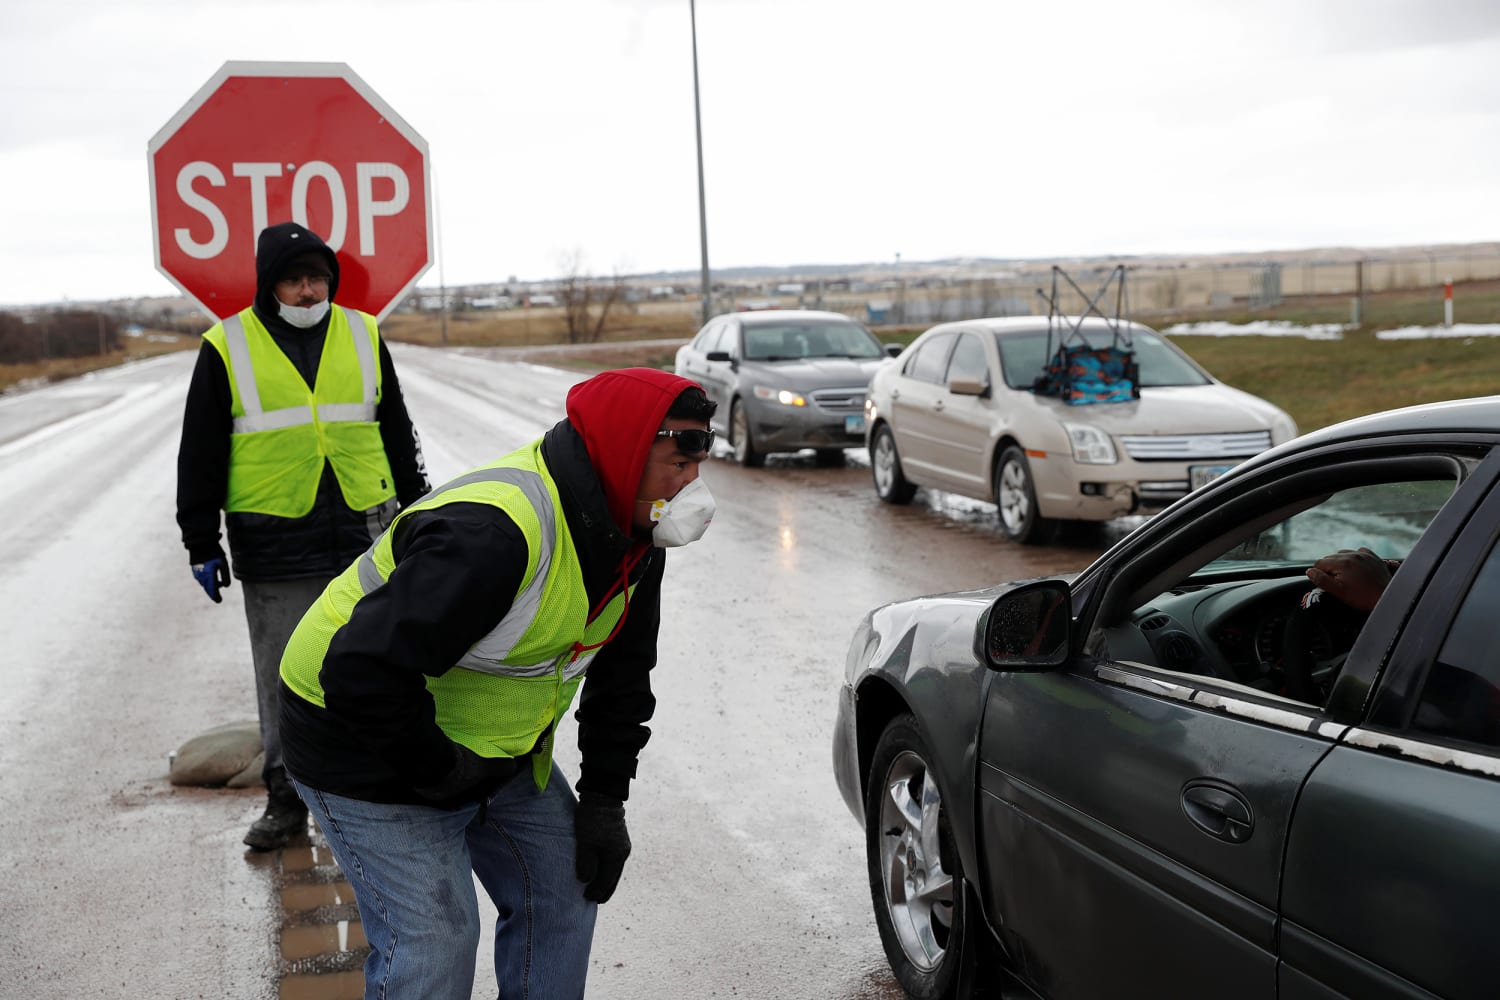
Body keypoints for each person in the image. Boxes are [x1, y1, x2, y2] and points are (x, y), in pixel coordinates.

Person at [277, 367, 717, 999]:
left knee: (565, 890)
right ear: (626, 454)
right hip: (360, 740)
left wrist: (603, 801)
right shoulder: (494, 534)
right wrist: (439, 774)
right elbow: (358, 672)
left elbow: (623, 678)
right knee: (436, 938)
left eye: (697, 467)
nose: (690, 487)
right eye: (679, 464)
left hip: (489, 752)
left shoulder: (634, 538)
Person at [175, 221, 430, 852]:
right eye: (294, 279)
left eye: (317, 277)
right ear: (270, 286)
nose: (309, 290)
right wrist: (200, 540)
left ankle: (373, 796)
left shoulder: (364, 334)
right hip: (275, 541)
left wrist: (423, 512)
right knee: (285, 676)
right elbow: (200, 452)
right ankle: (286, 801)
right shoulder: (227, 346)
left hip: (367, 530)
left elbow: (397, 429)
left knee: (377, 667)